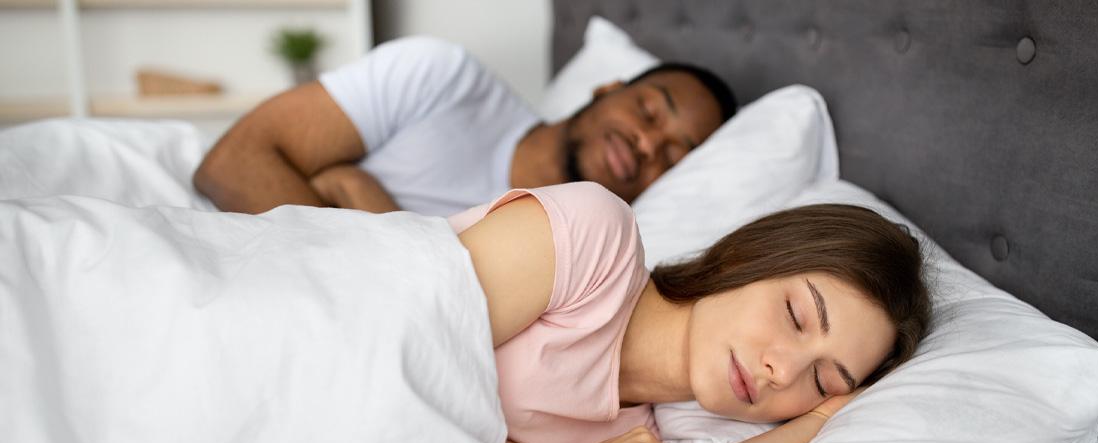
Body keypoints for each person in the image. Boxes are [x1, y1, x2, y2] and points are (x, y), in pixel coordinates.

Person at [450, 181, 931, 443]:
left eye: (822, 381)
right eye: (796, 315)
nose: (782, 372)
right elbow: (391, 351)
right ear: (749, 258)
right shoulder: (593, 240)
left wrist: (818, 423)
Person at [193, 37, 737, 216]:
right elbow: (233, 164)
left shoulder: (575, 258)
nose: (647, 144)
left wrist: (370, 210)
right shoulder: (440, 76)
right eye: (647, 112)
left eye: (672, 156)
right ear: (605, 90)